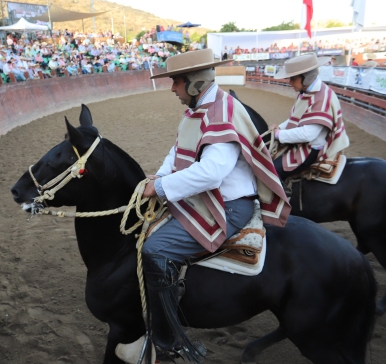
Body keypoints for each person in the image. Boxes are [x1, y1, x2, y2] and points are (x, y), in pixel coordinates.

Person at [115, 49, 290, 364]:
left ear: (194, 83)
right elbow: (179, 148)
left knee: (154, 250)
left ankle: (165, 343)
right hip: (207, 197)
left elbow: (212, 173)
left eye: (175, 82)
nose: (172, 89)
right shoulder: (202, 108)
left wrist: (163, 187)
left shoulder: (220, 112)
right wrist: (161, 176)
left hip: (227, 207)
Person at [270, 53, 350, 181]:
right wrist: (279, 128)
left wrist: (279, 134)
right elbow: (295, 119)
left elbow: (307, 134)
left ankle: (282, 200)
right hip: (305, 143)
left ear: (307, 78)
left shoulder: (322, 97)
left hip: (312, 149)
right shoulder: (308, 92)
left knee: (272, 172)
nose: (290, 82)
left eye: (293, 78)